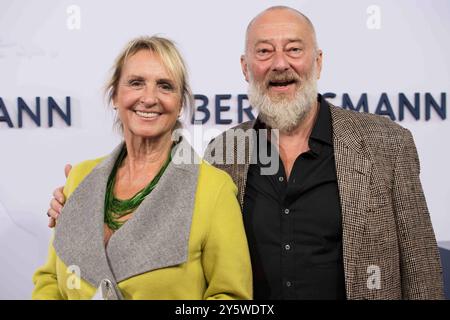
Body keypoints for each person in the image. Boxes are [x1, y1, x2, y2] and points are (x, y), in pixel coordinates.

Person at [47, 7, 445, 300]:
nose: (280, 64)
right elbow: (165, 216)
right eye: (264, 52)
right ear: (244, 67)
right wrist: (79, 207)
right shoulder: (223, 154)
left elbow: (422, 269)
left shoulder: (384, 143)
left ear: (318, 62)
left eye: (294, 49)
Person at [33, 36, 252, 300]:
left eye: (165, 86)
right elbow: (51, 279)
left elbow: (231, 297)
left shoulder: (212, 188)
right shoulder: (80, 177)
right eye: (136, 83)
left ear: (180, 103)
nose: (149, 98)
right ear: (115, 94)